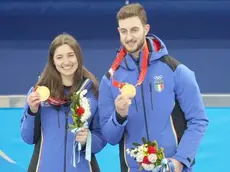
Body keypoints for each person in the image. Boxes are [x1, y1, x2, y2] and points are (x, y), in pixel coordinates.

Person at [98, 3, 208, 172]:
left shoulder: (175, 70)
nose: (129, 37)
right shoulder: (110, 80)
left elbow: (198, 120)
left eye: (134, 30)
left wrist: (181, 160)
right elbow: (110, 137)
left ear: (146, 28)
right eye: (124, 31)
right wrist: (119, 116)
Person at [20, 33, 106, 172]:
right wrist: (32, 111)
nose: (66, 62)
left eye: (70, 55)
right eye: (59, 57)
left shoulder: (93, 92)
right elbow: (28, 138)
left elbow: (101, 137)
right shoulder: (38, 93)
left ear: (78, 57)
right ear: (52, 61)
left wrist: (88, 140)